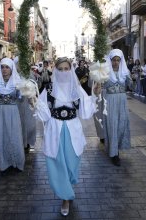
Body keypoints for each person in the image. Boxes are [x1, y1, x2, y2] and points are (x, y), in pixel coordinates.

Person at [32, 57, 100, 216]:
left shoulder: (76, 88)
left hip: (72, 130)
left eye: (66, 69)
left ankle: (67, 188)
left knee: (71, 164)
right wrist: (33, 101)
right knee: (57, 164)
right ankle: (65, 197)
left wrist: (95, 95)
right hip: (55, 129)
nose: (63, 72)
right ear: (55, 70)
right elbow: (43, 113)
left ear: (71, 70)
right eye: (60, 69)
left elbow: (85, 111)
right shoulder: (48, 89)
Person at [0, 58, 25, 174]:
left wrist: (24, 91)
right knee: (1, 135)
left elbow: (21, 99)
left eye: (7, 67)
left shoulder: (17, 82)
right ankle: (3, 162)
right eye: (2, 67)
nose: (4, 69)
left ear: (12, 69)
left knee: (14, 136)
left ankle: (16, 162)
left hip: (12, 112)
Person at [103, 49, 133, 166]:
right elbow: (96, 86)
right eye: (114, 60)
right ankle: (114, 153)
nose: (116, 63)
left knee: (121, 124)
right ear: (110, 61)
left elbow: (131, 86)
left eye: (118, 60)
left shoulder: (125, 72)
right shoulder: (105, 72)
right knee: (112, 125)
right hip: (110, 101)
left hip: (122, 101)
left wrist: (132, 79)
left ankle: (117, 148)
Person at [15, 57, 37, 154]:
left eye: (21, 63)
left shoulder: (29, 74)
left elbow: (35, 85)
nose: (19, 65)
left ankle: (27, 142)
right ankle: (19, 142)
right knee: (18, 123)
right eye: (18, 63)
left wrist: (29, 87)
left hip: (27, 102)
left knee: (28, 123)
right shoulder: (12, 75)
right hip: (16, 104)